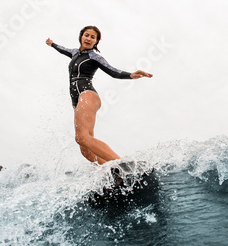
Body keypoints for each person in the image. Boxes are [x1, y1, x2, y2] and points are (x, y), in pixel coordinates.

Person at [46, 26, 153, 165]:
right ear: (81, 36)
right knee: (85, 150)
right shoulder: (74, 53)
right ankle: (114, 172)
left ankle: (127, 166)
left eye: (92, 37)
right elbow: (62, 49)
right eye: (87, 35)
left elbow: (113, 71)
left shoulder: (94, 56)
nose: (89, 38)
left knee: (82, 138)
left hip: (87, 95)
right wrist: (52, 44)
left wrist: (131, 75)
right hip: (76, 101)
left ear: (96, 41)